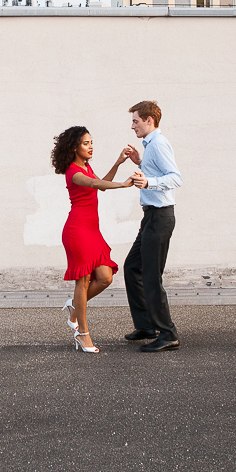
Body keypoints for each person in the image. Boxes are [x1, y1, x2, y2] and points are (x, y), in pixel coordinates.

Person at [50, 126, 140, 353]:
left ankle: (74, 306)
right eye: (86, 143)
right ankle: (82, 334)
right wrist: (123, 184)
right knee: (82, 281)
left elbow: (101, 184)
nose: (91, 147)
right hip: (77, 231)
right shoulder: (73, 172)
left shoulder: (86, 167)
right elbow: (94, 184)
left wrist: (118, 163)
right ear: (74, 147)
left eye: (91, 142)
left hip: (92, 231)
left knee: (105, 277)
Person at [120, 100, 183, 352]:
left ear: (149, 120)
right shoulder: (151, 146)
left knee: (150, 275)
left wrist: (148, 183)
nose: (132, 126)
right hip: (151, 217)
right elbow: (156, 171)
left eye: (135, 121)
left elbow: (175, 177)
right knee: (132, 267)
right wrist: (140, 162)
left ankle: (167, 334)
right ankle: (146, 325)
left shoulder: (158, 143)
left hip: (160, 217)